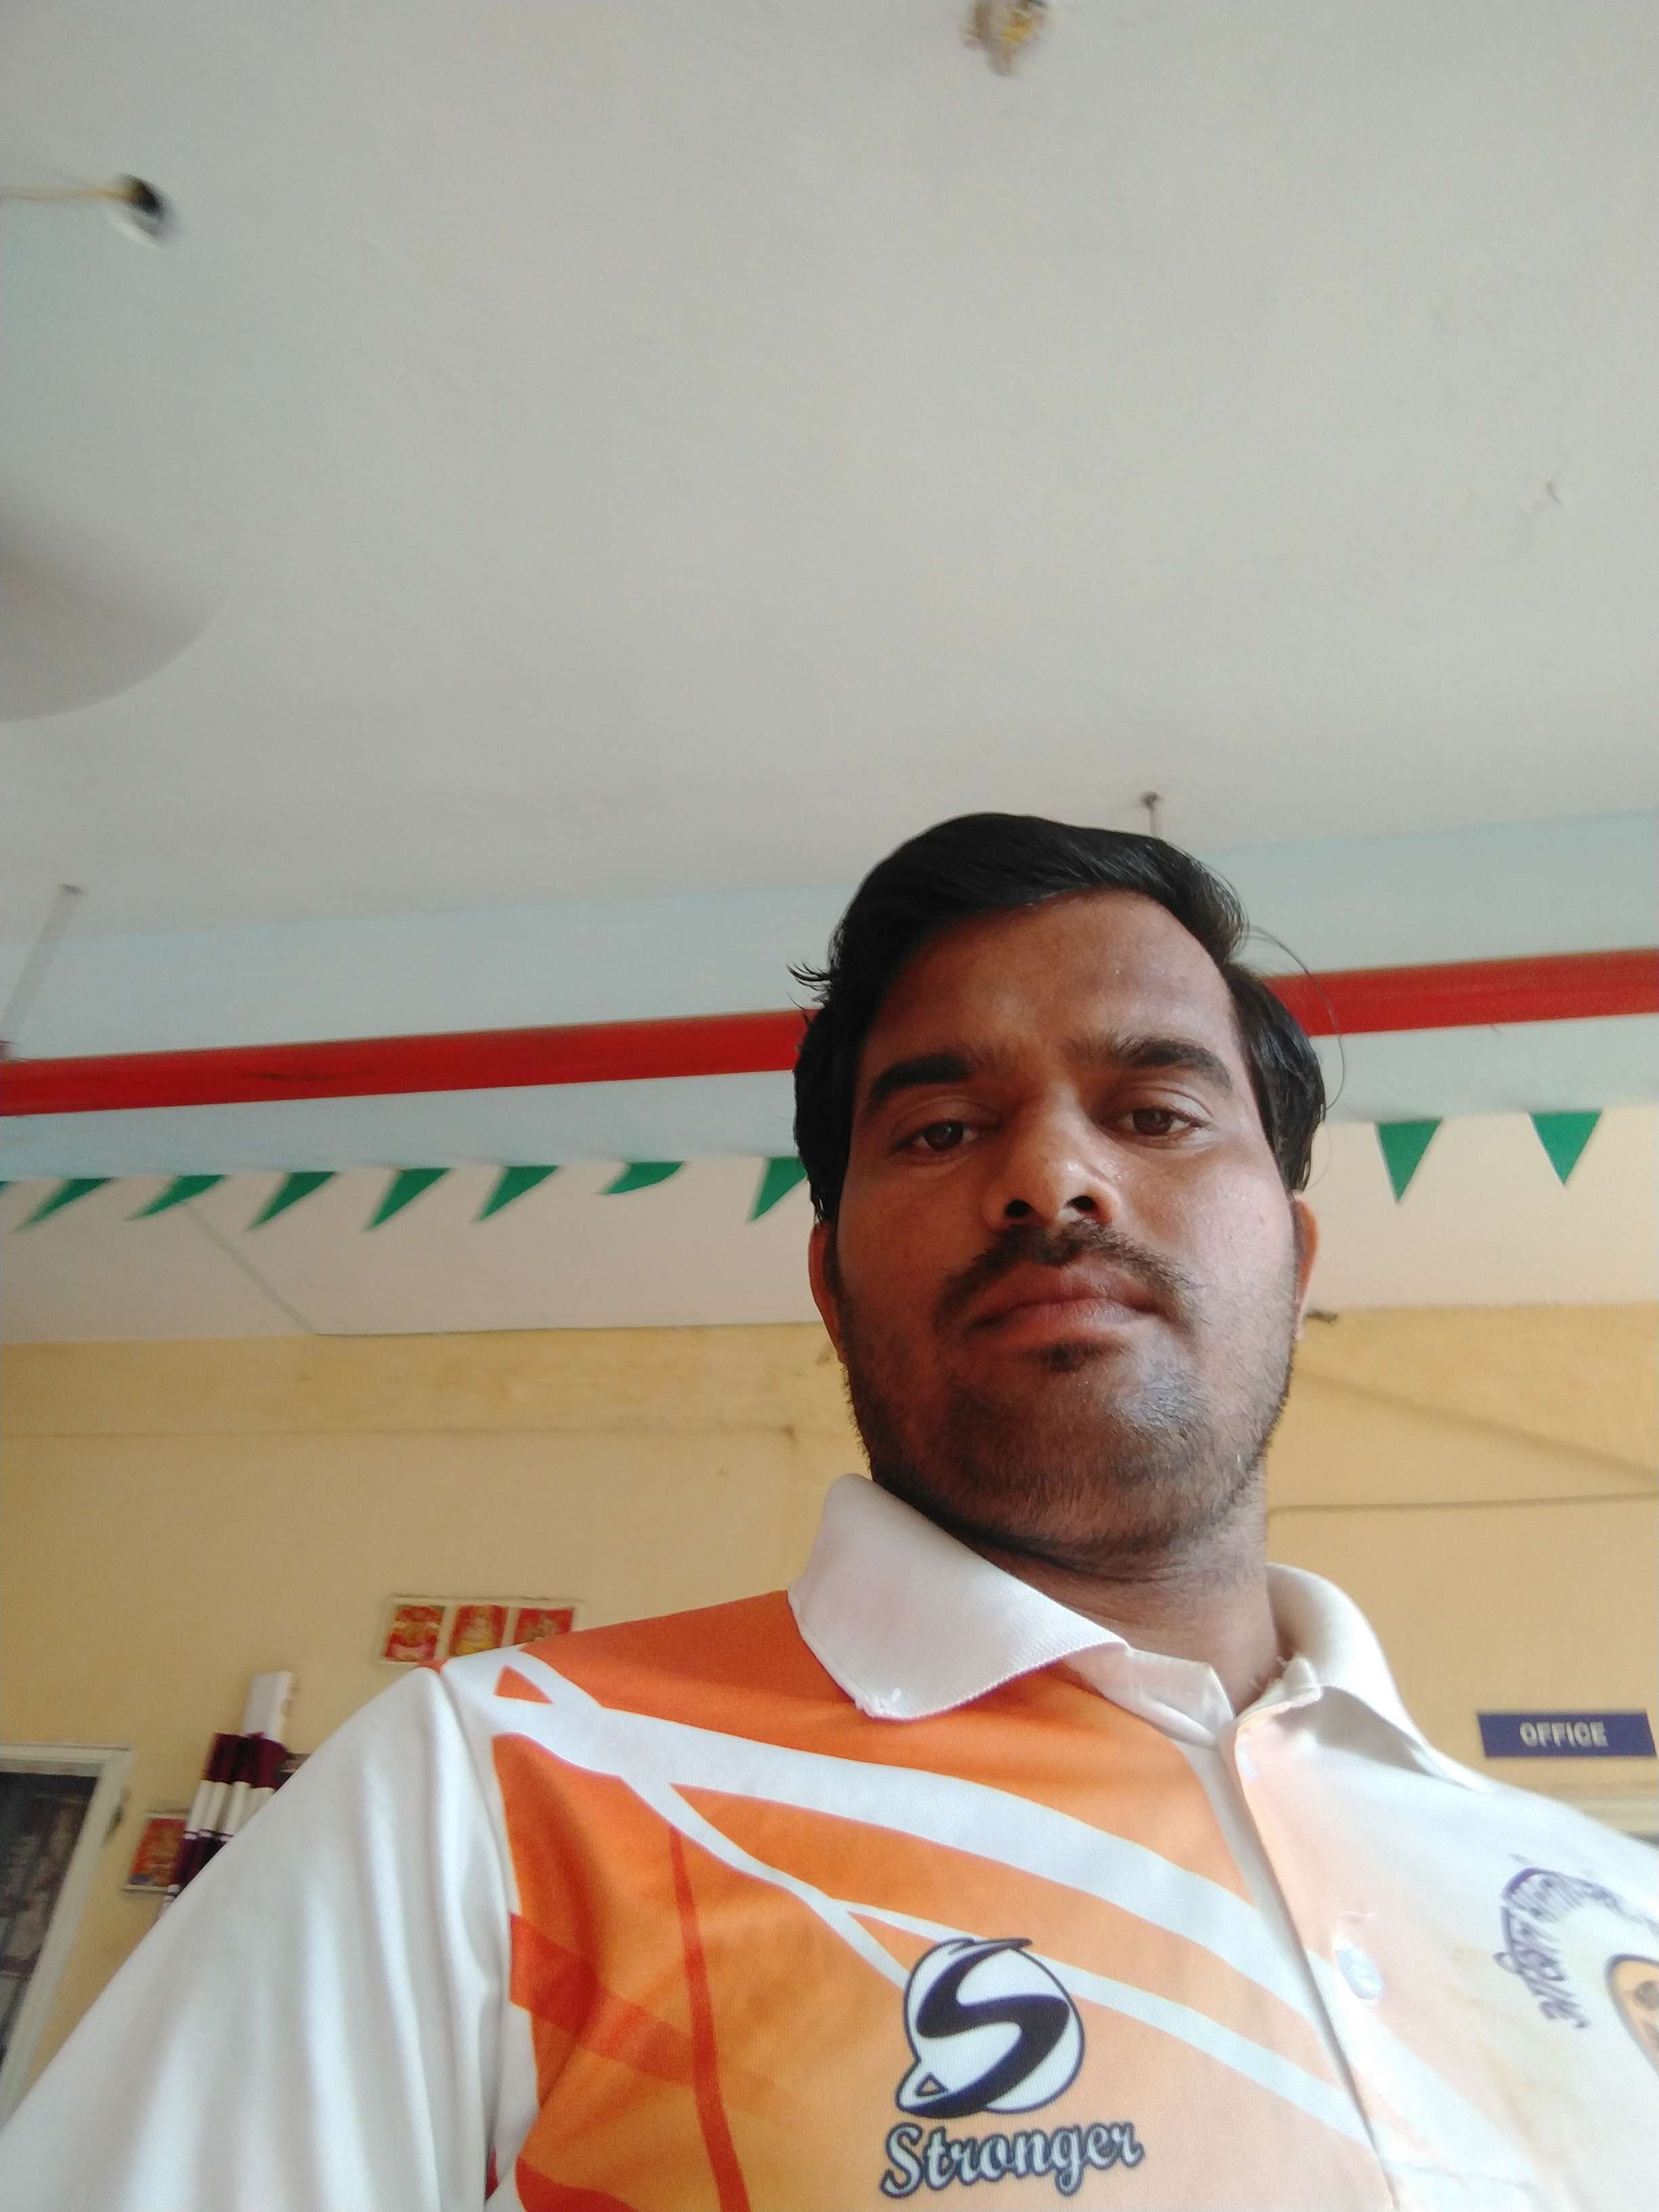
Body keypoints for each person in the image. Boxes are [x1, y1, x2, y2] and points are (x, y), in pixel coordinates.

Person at [2, 814, 1653, 2211]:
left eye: (1154, 1113)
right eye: (940, 1128)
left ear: (1293, 1255)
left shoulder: (1596, 1900)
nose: (1054, 1178)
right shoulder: (492, 1792)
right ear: (831, 1283)